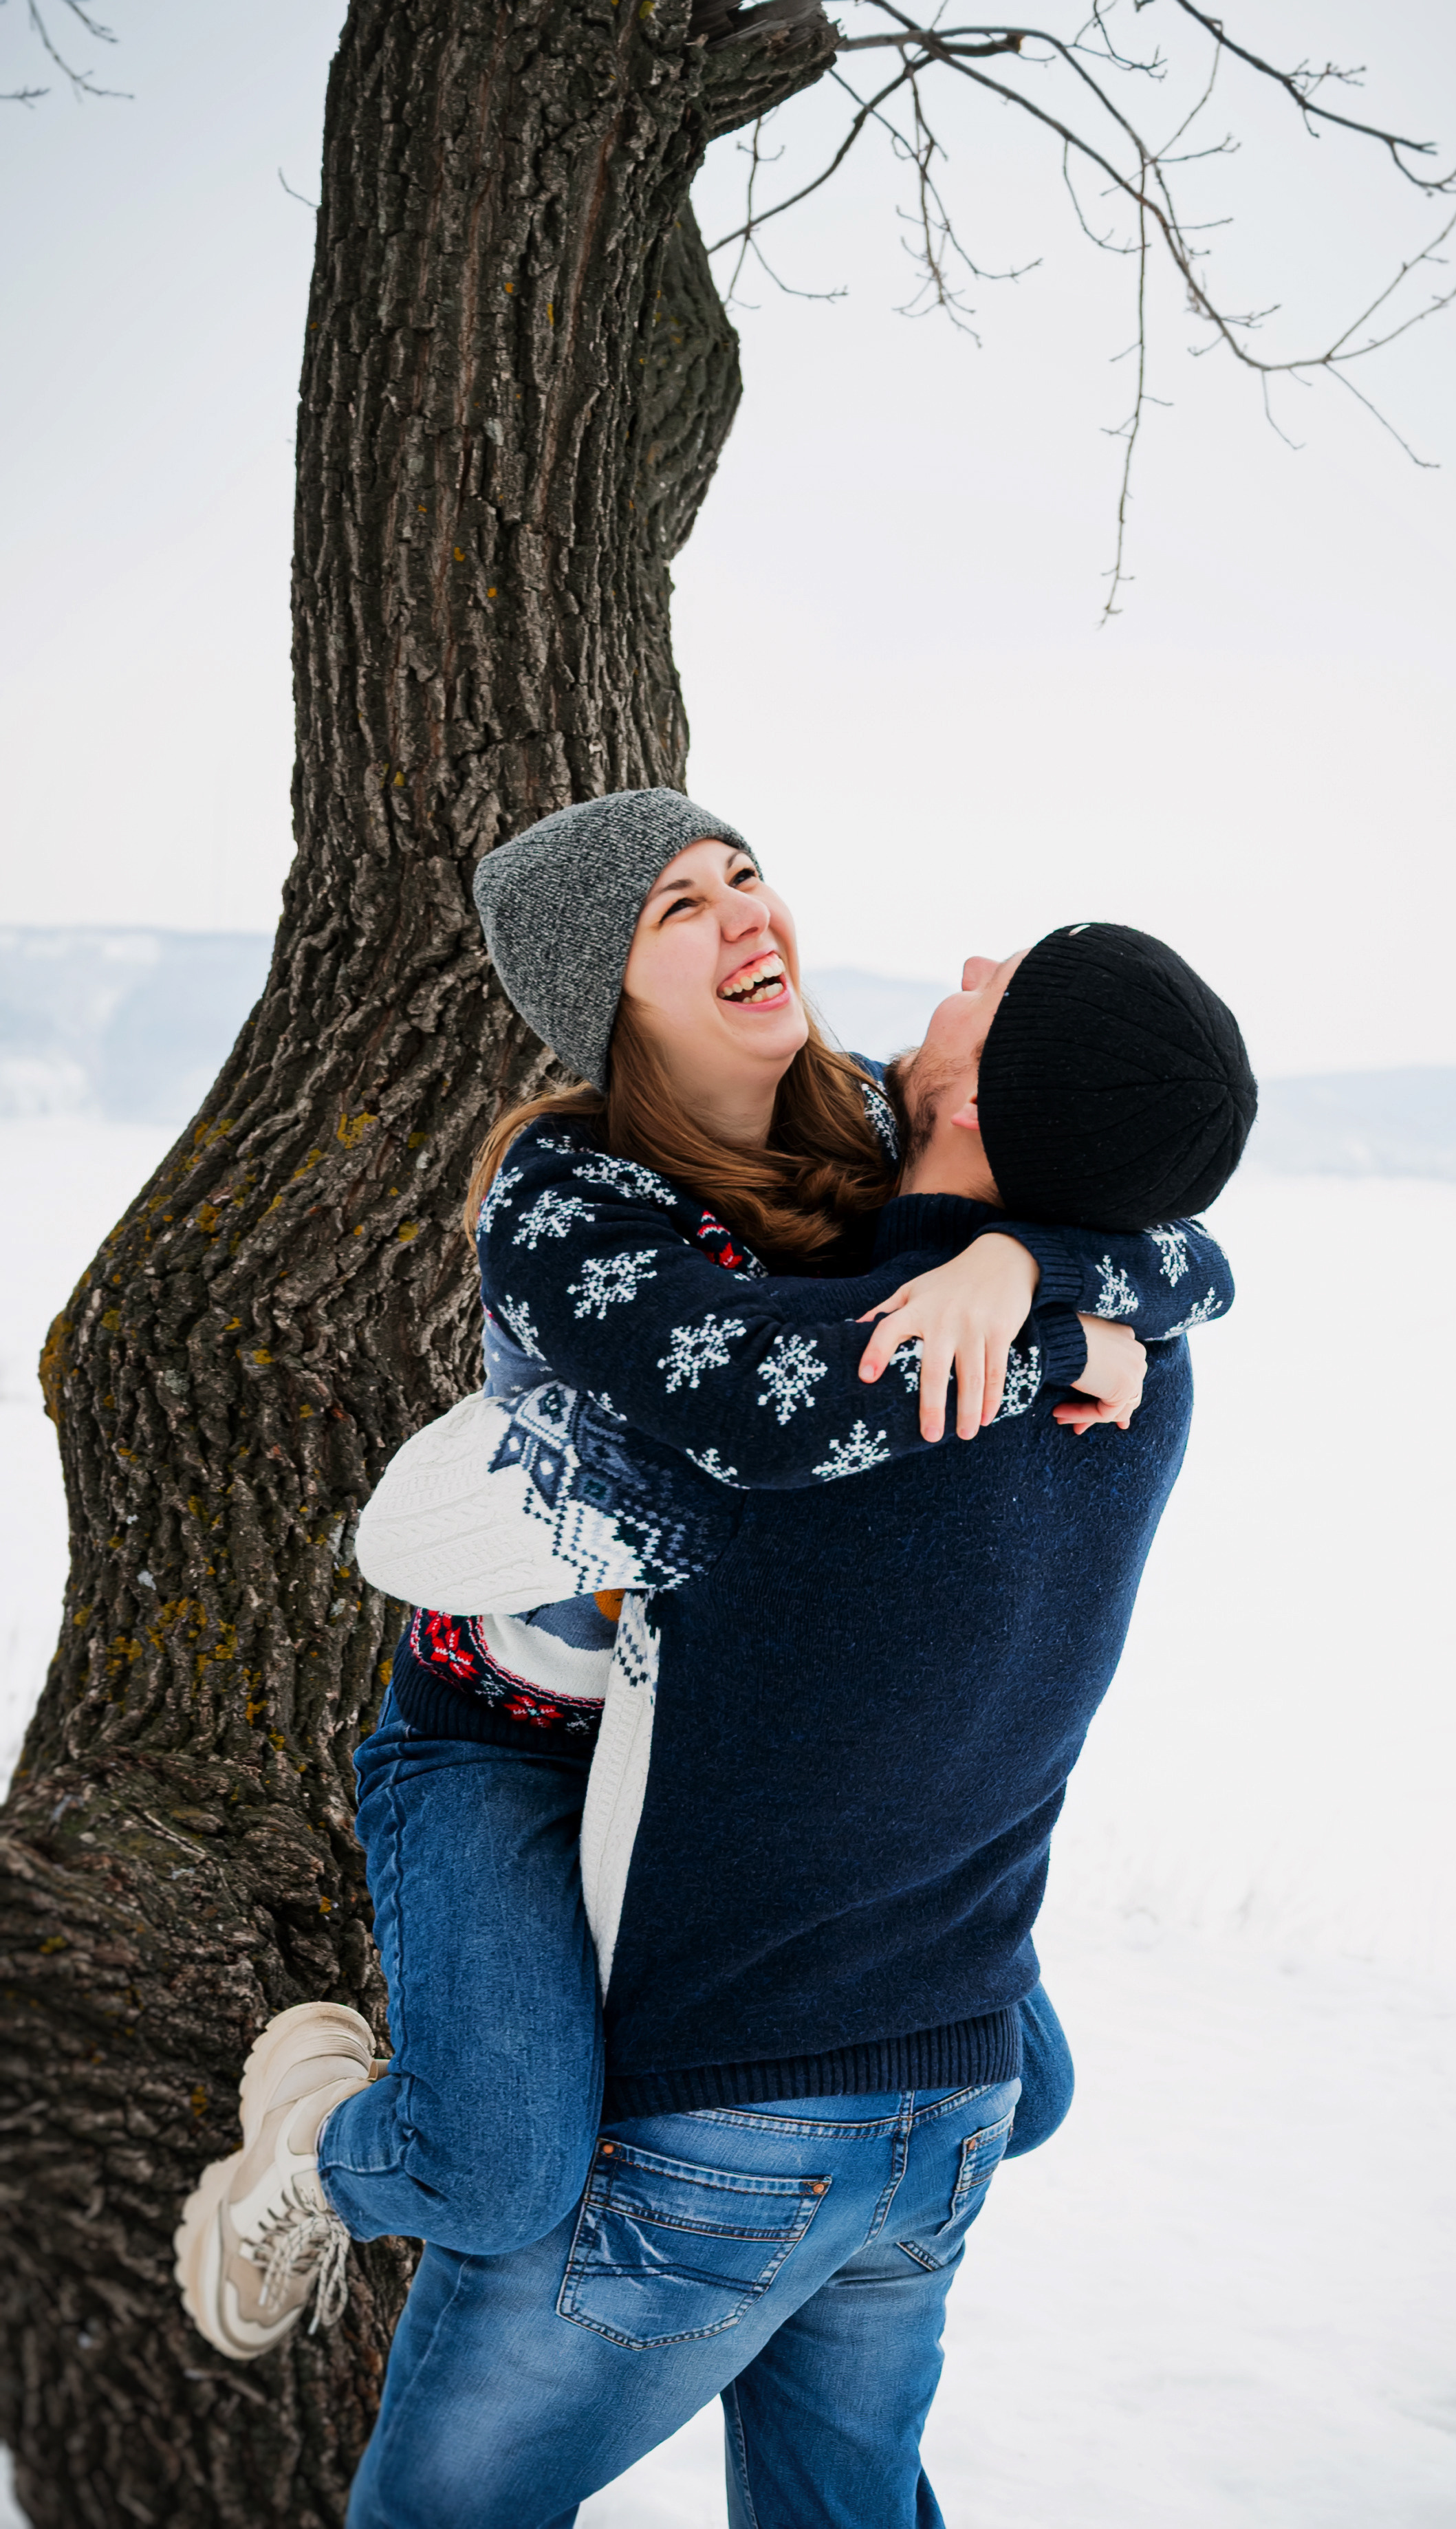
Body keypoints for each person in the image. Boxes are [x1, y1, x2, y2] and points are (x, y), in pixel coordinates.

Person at [181, 793, 1256, 2529]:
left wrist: (1022, 1256)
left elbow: (1174, 1225)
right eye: (675, 907)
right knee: (504, 2162)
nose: (744, 912)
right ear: (601, 993)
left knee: (1021, 2086)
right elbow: (755, 1398)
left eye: (742, 873)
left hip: (723, 1731)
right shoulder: (567, 1196)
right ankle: (319, 2147)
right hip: (514, 1741)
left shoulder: (872, 1118)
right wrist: (1052, 1334)